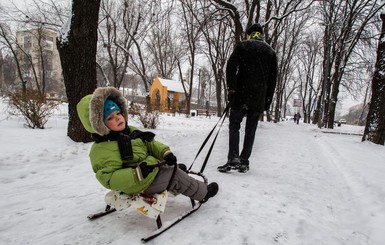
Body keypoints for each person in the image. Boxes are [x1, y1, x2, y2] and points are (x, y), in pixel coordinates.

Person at [76, 86, 218, 203]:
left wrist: (165, 153)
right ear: (99, 125)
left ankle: (171, 172)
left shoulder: (129, 132)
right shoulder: (102, 149)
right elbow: (109, 178)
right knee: (175, 175)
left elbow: (150, 144)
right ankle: (203, 193)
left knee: (170, 167)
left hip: (149, 172)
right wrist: (135, 174)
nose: (118, 118)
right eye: (110, 117)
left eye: (118, 113)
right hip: (137, 184)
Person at [218, 23, 278, 173]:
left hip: (241, 94)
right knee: (251, 130)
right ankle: (244, 162)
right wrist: (267, 102)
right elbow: (273, 80)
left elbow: (231, 66)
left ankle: (233, 158)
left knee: (234, 125)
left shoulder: (243, 46)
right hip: (258, 98)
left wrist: (232, 88)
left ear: (249, 34)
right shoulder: (270, 52)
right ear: (262, 34)